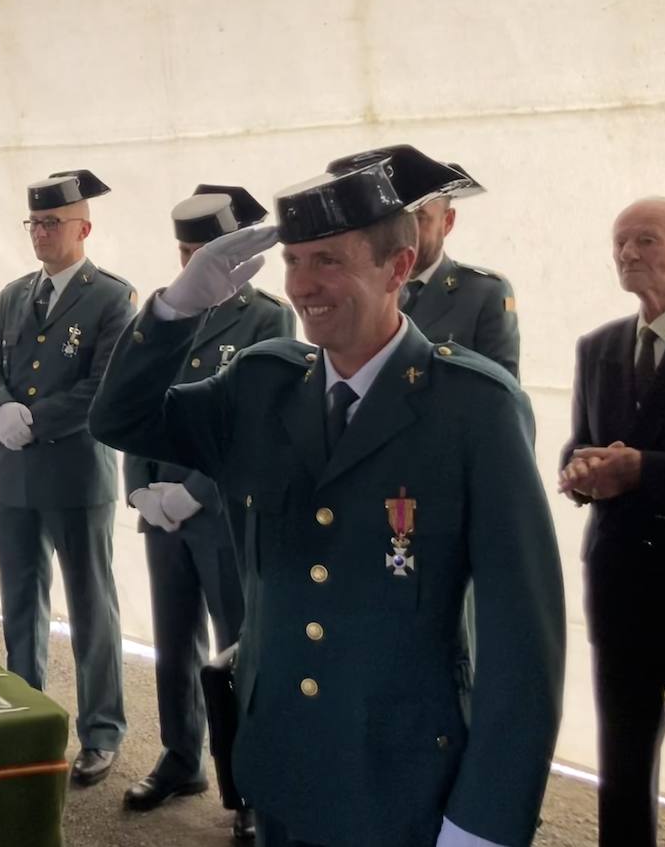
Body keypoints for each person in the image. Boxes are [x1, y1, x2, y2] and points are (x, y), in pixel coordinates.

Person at [91, 145, 565, 847]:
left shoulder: (472, 409)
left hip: (402, 779)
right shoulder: (262, 386)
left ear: (398, 267)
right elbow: (120, 420)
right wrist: (174, 309)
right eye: (293, 260)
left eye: (329, 260)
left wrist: (484, 822)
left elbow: (523, 642)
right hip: (280, 766)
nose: (303, 285)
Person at [122, 185, 294, 843]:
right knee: (173, 645)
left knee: (235, 651)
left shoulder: (264, 319)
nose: (195, 261)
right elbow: (134, 399)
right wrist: (140, 488)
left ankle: (247, 781)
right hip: (161, 508)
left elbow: (258, 421)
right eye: (187, 250)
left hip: (219, 510)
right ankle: (179, 756)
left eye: (207, 250)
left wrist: (195, 491)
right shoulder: (165, 311)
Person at [0, 169, 135, 786]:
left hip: (73, 473)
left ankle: (101, 732)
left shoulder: (112, 298)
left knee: (92, 607)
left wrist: (34, 419)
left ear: (83, 229)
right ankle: (27, 716)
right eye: (34, 223)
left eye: (52, 223)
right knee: (21, 605)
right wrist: (0, 405)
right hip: (13, 474)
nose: (40, 233)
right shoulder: (15, 293)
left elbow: (105, 386)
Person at [559, 197, 665, 847]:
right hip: (621, 589)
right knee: (621, 768)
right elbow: (579, 444)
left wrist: (644, 469)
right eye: (619, 243)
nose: (628, 254)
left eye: (645, 240)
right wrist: (580, 470)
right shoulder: (600, 347)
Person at [397, 163, 519, 378]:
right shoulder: (372, 289)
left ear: (448, 222)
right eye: (399, 219)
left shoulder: (483, 294)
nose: (405, 231)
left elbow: (501, 395)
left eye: (419, 218)